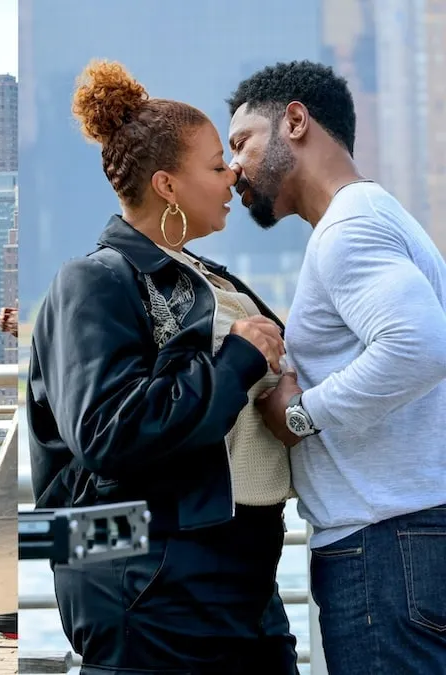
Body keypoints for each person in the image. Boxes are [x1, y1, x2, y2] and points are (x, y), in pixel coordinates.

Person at [27, 60, 299, 674]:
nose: (231, 173)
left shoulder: (207, 278)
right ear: (167, 185)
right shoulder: (93, 281)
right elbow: (107, 429)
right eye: (213, 164)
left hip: (240, 577)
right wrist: (236, 364)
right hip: (151, 586)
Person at [228, 60, 446, 674]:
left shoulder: (348, 227)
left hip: (382, 547)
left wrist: (295, 416)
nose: (234, 170)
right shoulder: (375, 217)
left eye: (241, 143)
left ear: (294, 121)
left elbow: (420, 346)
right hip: (406, 537)